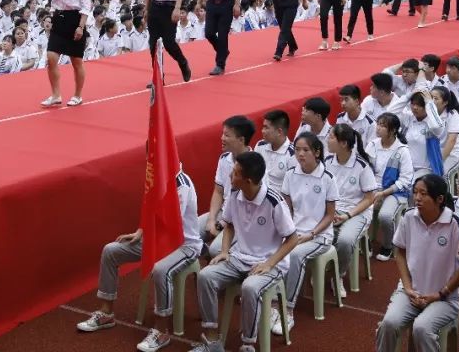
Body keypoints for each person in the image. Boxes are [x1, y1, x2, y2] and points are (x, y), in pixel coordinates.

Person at [76, 168, 202, 352]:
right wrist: (141, 232)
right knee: (111, 251)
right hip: (156, 240)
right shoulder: (155, 178)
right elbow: (150, 209)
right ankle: (106, 313)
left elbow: (171, 223)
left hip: (184, 245)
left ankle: (161, 331)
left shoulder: (181, 183)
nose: (149, 162)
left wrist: (151, 241)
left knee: (160, 269)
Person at [192, 151, 298, 352]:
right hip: (239, 257)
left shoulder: (274, 202)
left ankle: (248, 345)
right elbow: (229, 225)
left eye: (235, 173)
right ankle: (212, 341)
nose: (230, 176)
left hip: (269, 263)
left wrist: (270, 263)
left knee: (250, 288)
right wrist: (224, 251)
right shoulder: (234, 194)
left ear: (248, 180)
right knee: (205, 276)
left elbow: (292, 239)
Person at [375, 174, 459, 352]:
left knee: (422, 328)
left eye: (423, 194)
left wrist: (440, 293)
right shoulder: (408, 217)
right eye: (415, 192)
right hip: (411, 292)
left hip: (445, 298)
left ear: (439, 199)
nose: (417, 198)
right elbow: (399, 252)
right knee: (388, 323)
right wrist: (408, 288)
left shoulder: (455, 224)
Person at [277, 130, 337, 336]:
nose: (300, 154)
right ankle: (272, 302)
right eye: (297, 150)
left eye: (305, 150)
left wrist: (310, 234)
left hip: (320, 235)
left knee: (294, 255)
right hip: (295, 232)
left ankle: (288, 310)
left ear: (317, 152)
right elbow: (286, 208)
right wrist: (289, 232)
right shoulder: (290, 174)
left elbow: (330, 216)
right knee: (270, 248)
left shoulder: (328, 178)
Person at [326, 123, 378, 297]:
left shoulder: (362, 166)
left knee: (345, 241)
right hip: (333, 210)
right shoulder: (327, 162)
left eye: (332, 137)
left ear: (343, 144)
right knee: (316, 233)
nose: (328, 139)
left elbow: (370, 198)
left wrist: (348, 215)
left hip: (357, 212)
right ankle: (321, 269)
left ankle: (338, 275)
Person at [199, 115, 256, 259]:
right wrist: (212, 219)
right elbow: (218, 192)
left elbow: (252, 207)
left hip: (243, 220)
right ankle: (204, 257)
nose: (222, 138)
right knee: (185, 234)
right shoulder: (224, 159)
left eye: (227, 135)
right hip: (223, 213)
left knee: (216, 250)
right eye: (222, 133)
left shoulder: (255, 164)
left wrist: (222, 225)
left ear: (241, 140)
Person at [42, 0, 92, 107]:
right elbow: (53, 2)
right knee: (51, 58)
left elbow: (86, 6)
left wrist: (80, 27)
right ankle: (56, 95)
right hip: (59, 19)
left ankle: (78, 95)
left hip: (75, 20)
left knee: (76, 61)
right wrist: (50, 17)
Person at [366, 112, 413, 263]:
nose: (378, 128)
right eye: (378, 124)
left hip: (394, 191)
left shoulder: (402, 151)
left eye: (383, 126)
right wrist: (372, 190)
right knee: (359, 210)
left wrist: (384, 193)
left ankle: (388, 245)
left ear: (393, 130)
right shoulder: (372, 145)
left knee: (385, 216)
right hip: (372, 188)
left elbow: (405, 179)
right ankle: (366, 242)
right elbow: (364, 169)